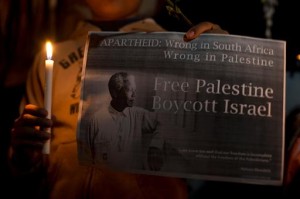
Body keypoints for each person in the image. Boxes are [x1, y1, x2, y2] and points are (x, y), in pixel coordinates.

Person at [8, 0, 227, 198]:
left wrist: (232, 58)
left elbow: (213, 143)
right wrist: (24, 156)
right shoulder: (51, 59)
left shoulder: (179, 50)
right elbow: (29, 171)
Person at [84, 72, 164, 171]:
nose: (134, 95)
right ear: (115, 93)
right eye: (130, 90)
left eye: (135, 90)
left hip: (134, 183)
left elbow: (163, 121)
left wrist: (155, 147)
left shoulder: (138, 115)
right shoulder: (95, 120)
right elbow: (86, 160)